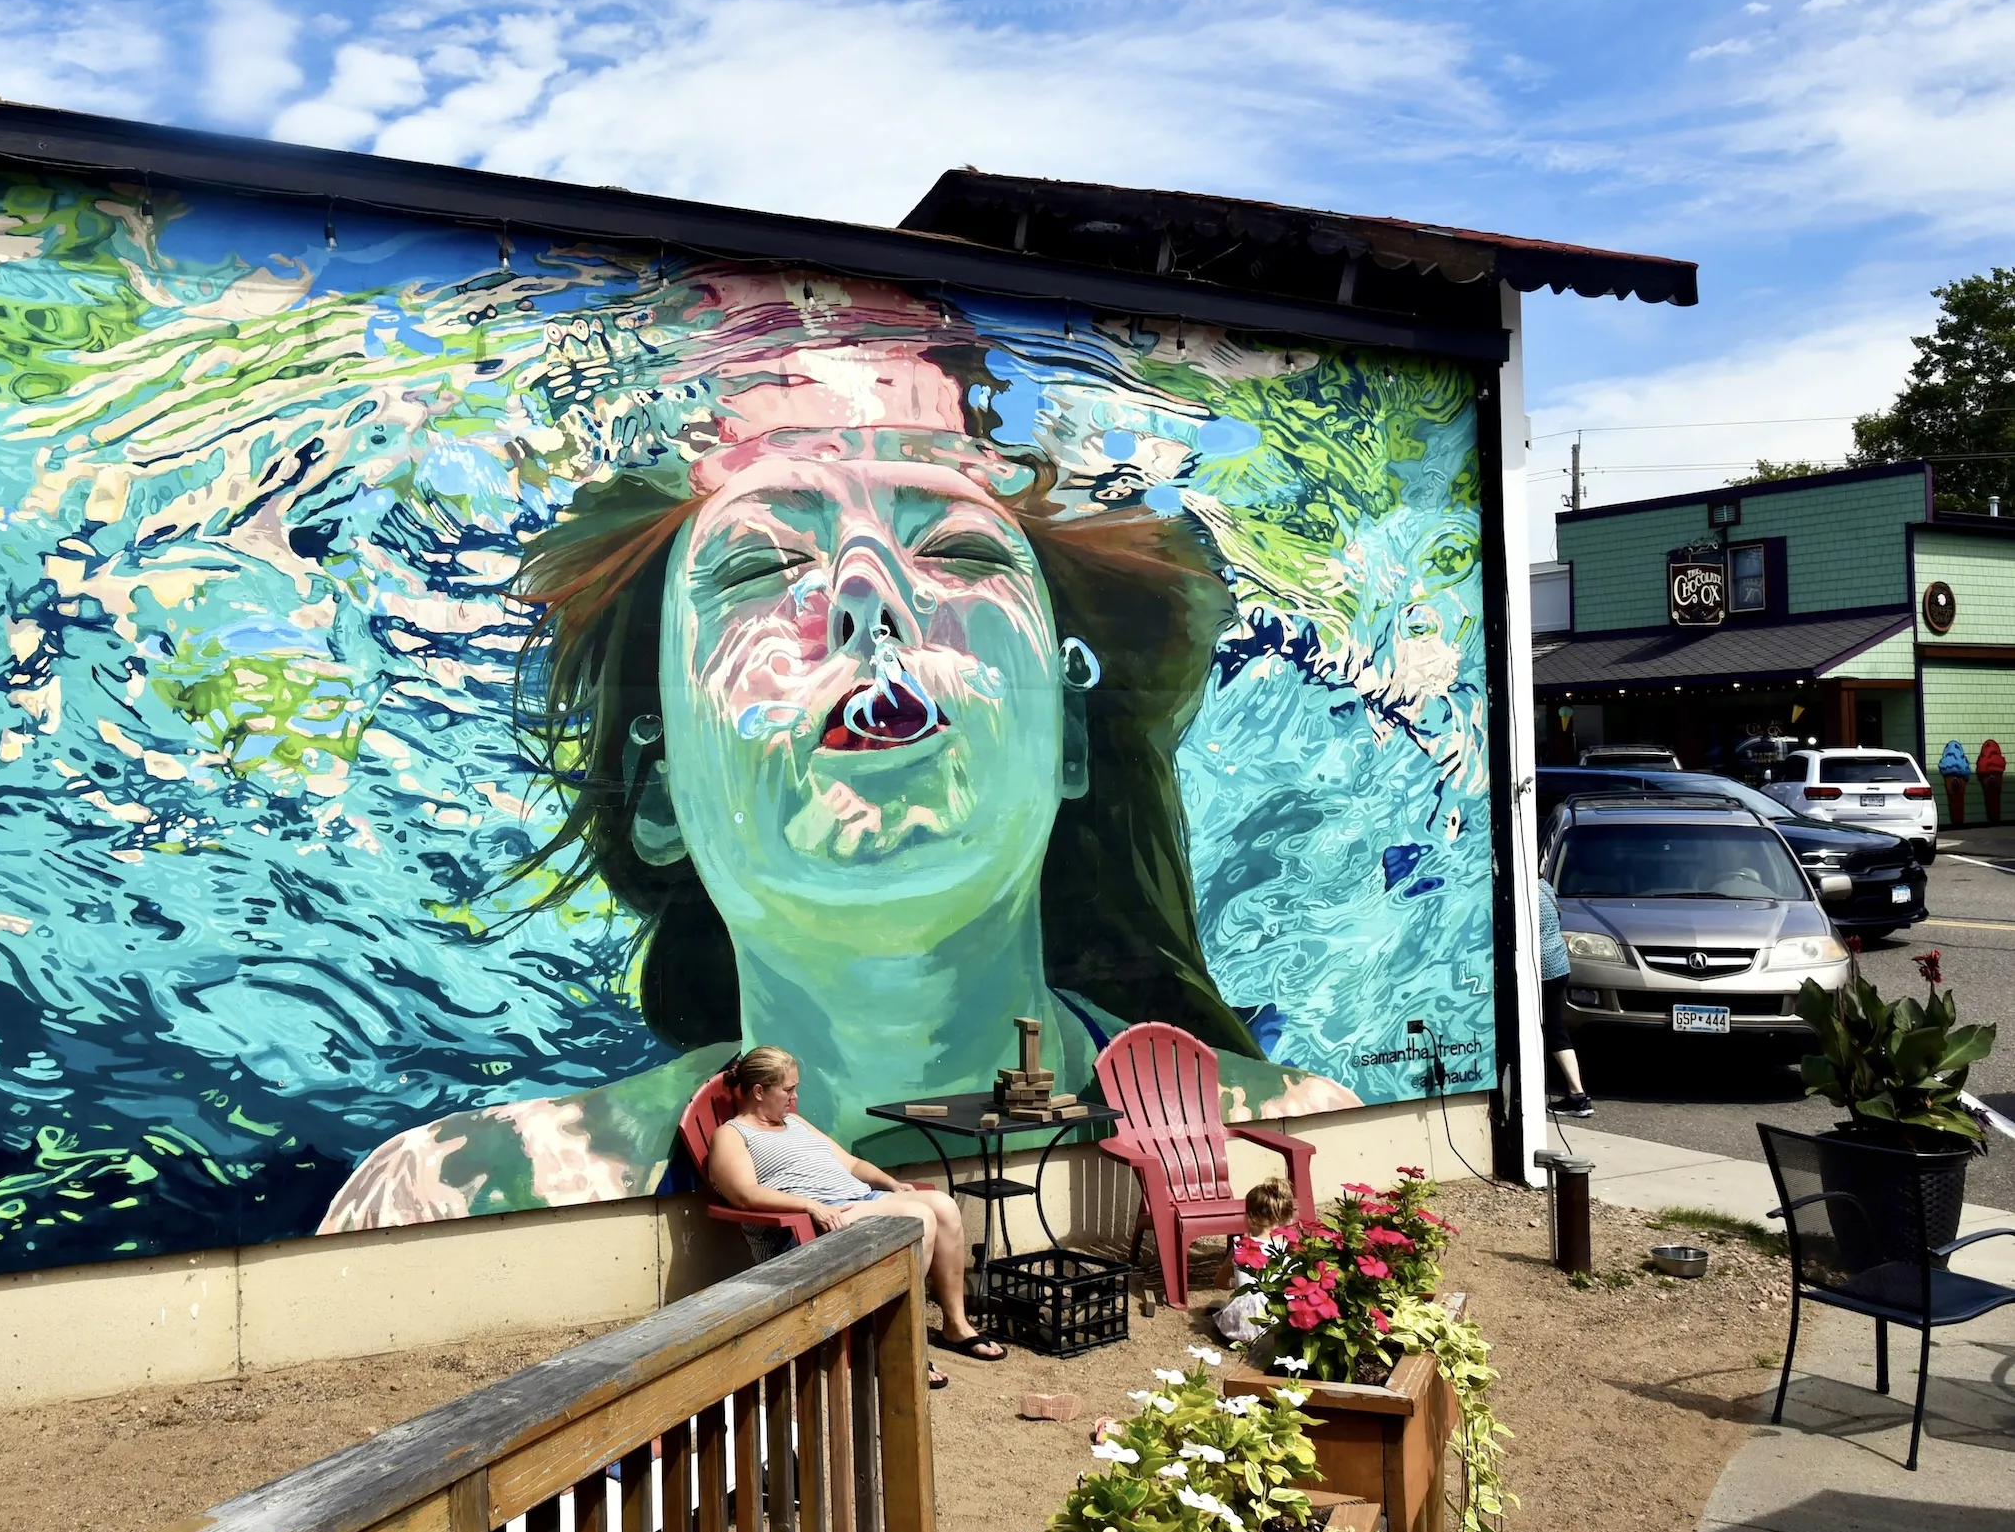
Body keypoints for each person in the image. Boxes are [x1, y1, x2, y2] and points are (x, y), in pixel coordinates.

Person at [321, 281, 1357, 1233]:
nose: (867, 589)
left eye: (956, 549)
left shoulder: (1308, 1124)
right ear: (663, 792)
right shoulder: (443, 1192)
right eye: (765, 563)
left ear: (1071, 736)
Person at [702, 1046, 1004, 1383]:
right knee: (920, 1216)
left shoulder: (795, 1124)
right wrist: (809, 1205)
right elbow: (744, 1194)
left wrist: (891, 1183)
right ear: (759, 1091)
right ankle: (900, 1344)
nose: (794, 1097)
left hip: (858, 1201)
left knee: (944, 1207)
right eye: (788, 1089)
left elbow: (850, 1163)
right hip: (814, 1224)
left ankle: (955, 1325)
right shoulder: (732, 1135)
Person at [1211, 1177, 1299, 1343]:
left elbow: (1219, 1282)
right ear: (1288, 1218)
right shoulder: (1291, 1248)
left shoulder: (1241, 1246)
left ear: (1250, 1217)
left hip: (1244, 1327)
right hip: (1280, 1323)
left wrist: (1236, 1285)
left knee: (1223, 1305)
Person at [1538, 875, 1594, 1117]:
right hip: (1559, 965)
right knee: (1555, 1027)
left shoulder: (1522, 891)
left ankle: (1577, 1095)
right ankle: (1577, 1095)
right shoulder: (1543, 886)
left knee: (1553, 1031)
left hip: (1542, 969)